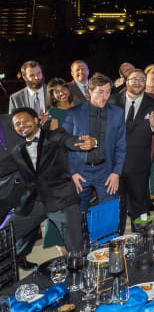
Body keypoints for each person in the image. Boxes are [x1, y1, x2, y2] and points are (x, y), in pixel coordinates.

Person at [1, 108, 95, 262]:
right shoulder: (18, 151)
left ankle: (80, 278)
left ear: (36, 120)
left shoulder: (55, 136)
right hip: (34, 203)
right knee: (4, 237)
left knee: (76, 250)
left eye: (25, 120)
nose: (22, 125)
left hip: (61, 200)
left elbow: (71, 141)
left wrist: (90, 142)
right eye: (17, 124)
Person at [61, 73, 128, 212]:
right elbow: (63, 143)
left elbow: (121, 145)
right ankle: (82, 235)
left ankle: (109, 235)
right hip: (80, 171)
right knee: (78, 214)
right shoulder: (74, 113)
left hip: (106, 170)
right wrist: (72, 172)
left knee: (109, 212)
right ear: (90, 92)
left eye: (108, 92)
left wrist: (116, 173)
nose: (105, 96)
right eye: (100, 92)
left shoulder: (118, 113)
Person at [109, 69, 154, 233]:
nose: (138, 82)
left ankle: (142, 240)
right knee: (115, 204)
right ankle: (114, 240)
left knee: (139, 203)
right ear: (126, 82)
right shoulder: (112, 101)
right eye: (134, 79)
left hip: (139, 162)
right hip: (113, 162)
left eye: (141, 79)